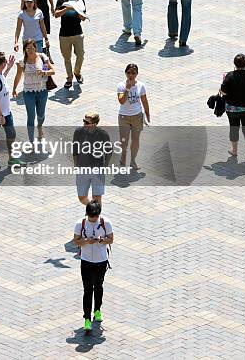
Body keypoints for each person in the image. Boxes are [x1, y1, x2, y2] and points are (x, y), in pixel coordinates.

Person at [73, 200, 113, 332]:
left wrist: (102, 240)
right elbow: (76, 241)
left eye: (95, 217)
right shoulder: (81, 223)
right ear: (87, 214)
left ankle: (97, 310)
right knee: (87, 289)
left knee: (98, 286)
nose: (93, 220)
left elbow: (111, 239)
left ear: (99, 214)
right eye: (91, 217)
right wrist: (86, 241)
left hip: (101, 261)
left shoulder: (105, 223)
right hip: (85, 261)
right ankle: (87, 319)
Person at [0, 51, 24, 170]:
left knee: (11, 134)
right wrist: (0, 116)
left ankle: (12, 158)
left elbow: (2, 79)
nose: (6, 63)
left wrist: (9, 68)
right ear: (2, 64)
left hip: (6, 113)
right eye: (5, 62)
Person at [12, 39, 54, 142]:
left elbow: (52, 71)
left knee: (41, 115)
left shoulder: (42, 57)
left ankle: (39, 127)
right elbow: (18, 76)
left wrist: (44, 73)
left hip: (42, 91)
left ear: (35, 47)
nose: (30, 50)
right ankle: (31, 141)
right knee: (31, 117)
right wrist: (14, 88)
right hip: (28, 93)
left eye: (32, 47)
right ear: (24, 50)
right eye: (28, 48)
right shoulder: (22, 61)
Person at [73, 112, 112, 206]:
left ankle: (95, 215)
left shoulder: (103, 134)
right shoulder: (78, 132)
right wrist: (76, 165)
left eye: (87, 122)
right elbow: (75, 150)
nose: (84, 124)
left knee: (97, 198)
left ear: (94, 124)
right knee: (81, 197)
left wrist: (105, 166)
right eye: (84, 121)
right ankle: (92, 208)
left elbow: (109, 152)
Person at [117, 64, 150, 170]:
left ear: (137, 74)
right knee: (124, 141)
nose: (131, 75)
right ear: (125, 73)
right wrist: (127, 88)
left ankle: (133, 161)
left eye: (133, 73)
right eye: (128, 73)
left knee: (135, 140)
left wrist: (147, 113)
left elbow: (144, 100)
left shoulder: (141, 85)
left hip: (137, 116)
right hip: (124, 117)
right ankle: (123, 158)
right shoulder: (121, 85)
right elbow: (121, 101)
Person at [55, 0, 87, 89]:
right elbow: (56, 14)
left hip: (78, 33)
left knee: (80, 55)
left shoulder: (80, 1)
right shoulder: (62, 0)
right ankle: (69, 78)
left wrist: (77, 10)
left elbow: (83, 18)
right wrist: (67, 8)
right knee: (67, 58)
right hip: (64, 35)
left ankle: (77, 72)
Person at [220, 54, 245, 165]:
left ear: (235, 64)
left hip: (232, 109)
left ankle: (234, 151)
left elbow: (223, 92)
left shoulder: (229, 75)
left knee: (234, 128)